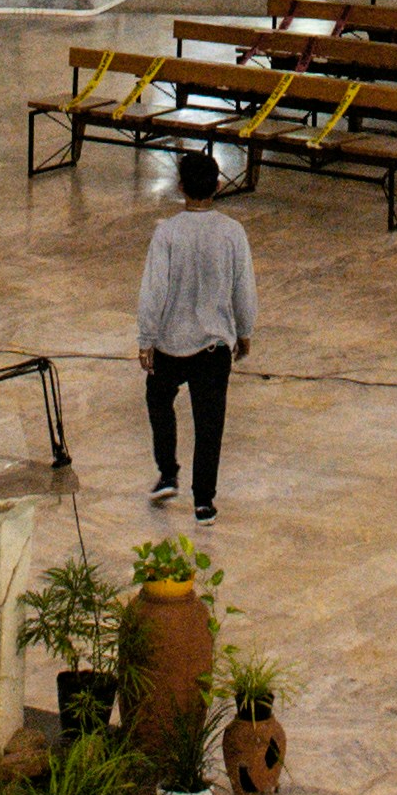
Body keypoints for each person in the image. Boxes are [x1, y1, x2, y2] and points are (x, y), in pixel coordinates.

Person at [134, 148, 257, 522]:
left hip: (171, 343)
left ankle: (168, 472)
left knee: (159, 400)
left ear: (181, 187)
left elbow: (153, 290)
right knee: (209, 423)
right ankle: (204, 501)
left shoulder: (167, 232)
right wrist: (245, 330)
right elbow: (243, 287)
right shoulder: (232, 232)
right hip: (214, 346)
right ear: (218, 187)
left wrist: (146, 338)